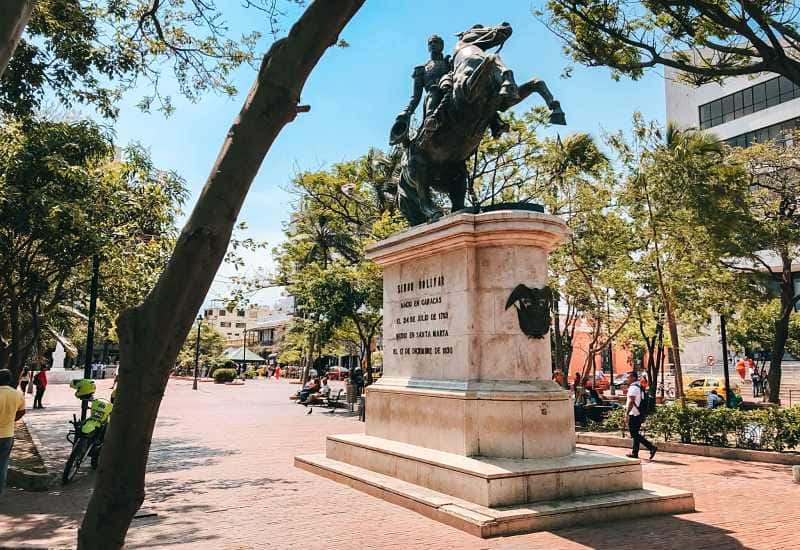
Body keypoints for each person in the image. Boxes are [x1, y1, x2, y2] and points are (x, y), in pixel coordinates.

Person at [0, 369, 25, 495]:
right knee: (3, 464)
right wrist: (11, 419)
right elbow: (22, 411)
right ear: (9, 380)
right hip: (7, 434)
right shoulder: (17, 394)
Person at [625, 371, 657, 460]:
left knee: (634, 433)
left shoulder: (633, 388)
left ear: (634, 378)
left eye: (629, 377)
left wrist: (626, 413)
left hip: (634, 413)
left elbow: (631, 401)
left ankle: (651, 447)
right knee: (636, 434)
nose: (627, 379)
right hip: (639, 413)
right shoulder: (639, 387)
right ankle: (635, 453)